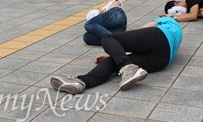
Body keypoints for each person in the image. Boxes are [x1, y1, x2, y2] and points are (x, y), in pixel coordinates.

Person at [50, 16, 183, 94]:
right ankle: (81, 82)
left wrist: (117, 48)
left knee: (108, 39)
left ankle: (127, 67)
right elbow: (144, 48)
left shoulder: (166, 19)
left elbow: (145, 30)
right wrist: (115, 54)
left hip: (158, 36)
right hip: (162, 61)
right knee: (112, 62)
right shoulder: (177, 34)